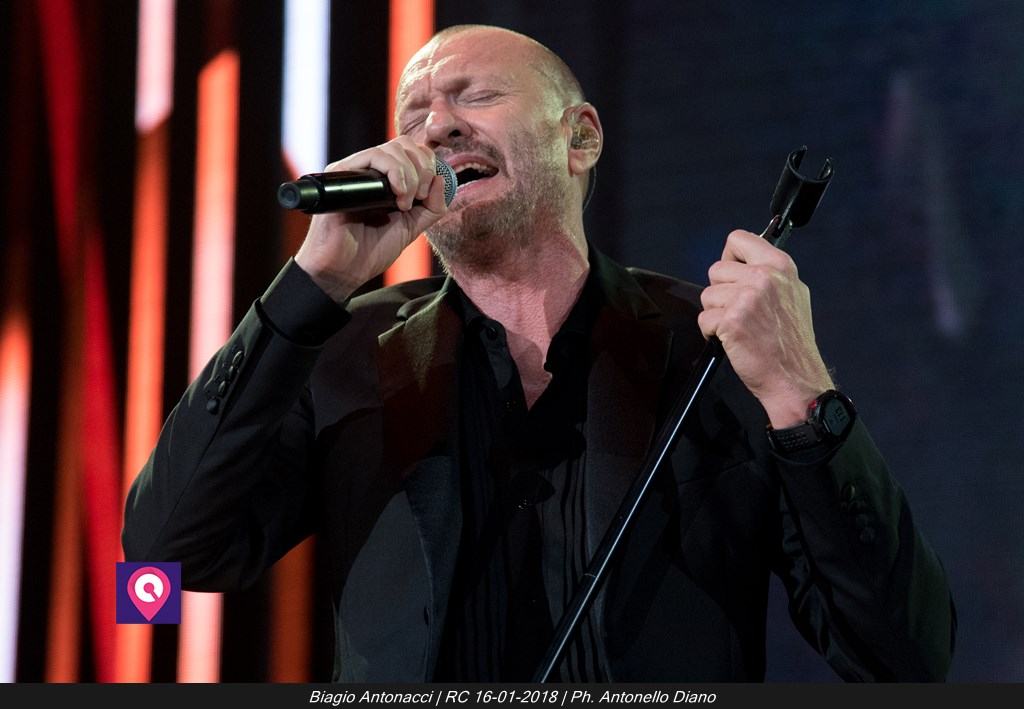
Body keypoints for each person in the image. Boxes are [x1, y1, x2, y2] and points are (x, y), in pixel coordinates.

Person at [122, 24, 955, 682]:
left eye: (475, 95)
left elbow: (902, 656)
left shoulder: (714, 347)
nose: (437, 125)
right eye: (414, 116)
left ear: (580, 139)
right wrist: (315, 281)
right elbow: (167, 555)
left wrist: (805, 398)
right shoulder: (345, 348)